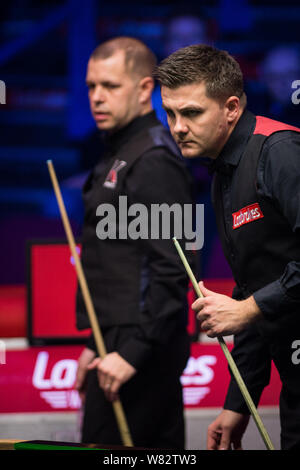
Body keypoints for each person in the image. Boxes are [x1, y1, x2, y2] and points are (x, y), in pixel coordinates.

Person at [155, 44, 300, 450]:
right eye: (170, 113)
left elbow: (251, 306)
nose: (178, 127)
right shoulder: (223, 170)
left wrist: (248, 309)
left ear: (231, 107)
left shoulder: (280, 153)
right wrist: (240, 402)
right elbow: (253, 292)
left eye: (192, 113)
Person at [74, 36, 195, 449]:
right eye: (91, 86)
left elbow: (175, 268)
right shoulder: (120, 152)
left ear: (145, 89)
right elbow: (118, 264)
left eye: (110, 86)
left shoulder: (155, 159)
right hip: (118, 346)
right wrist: (96, 343)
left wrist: (132, 352)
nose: (97, 97)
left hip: (144, 355)